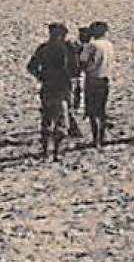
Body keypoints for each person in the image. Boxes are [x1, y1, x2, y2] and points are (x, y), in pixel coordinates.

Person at [27, 23, 74, 160]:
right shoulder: (66, 49)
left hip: (47, 87)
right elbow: (74, 68)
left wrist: (41, 77)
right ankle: (56, 152)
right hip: (62, 88)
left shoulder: (43, 48)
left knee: (47, 120)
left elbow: (31, 67)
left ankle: (46, 151)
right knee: (61, 121)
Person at [79, 20, 114, 147]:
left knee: (92, 111)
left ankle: (96, 139)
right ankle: (102, 136)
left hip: (92, 79)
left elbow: (83, 62)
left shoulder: (91, 45)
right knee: (101, 110)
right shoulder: (109, 45)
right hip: (105, 78)